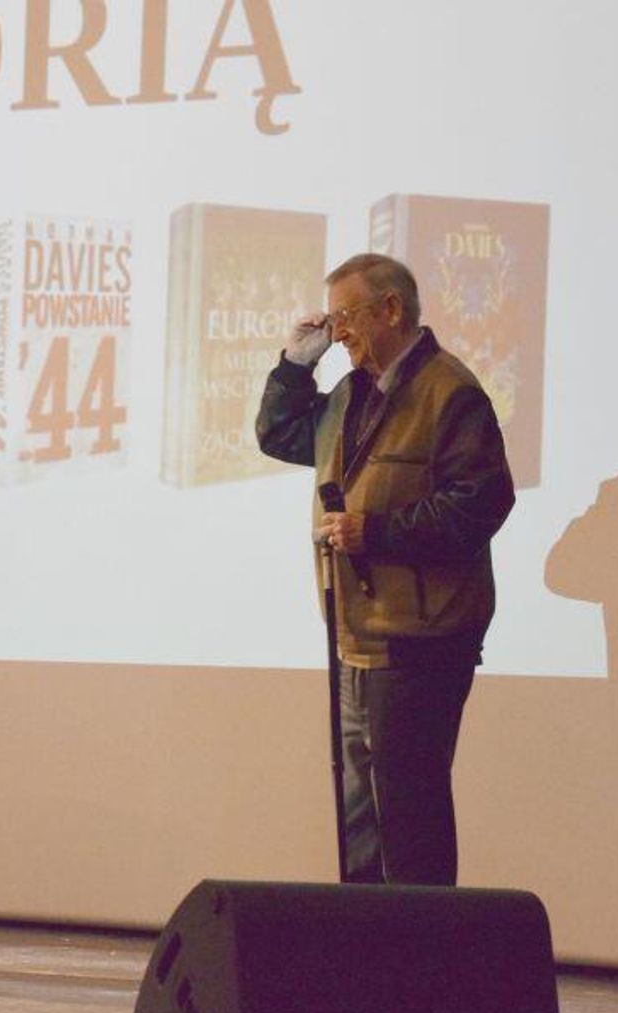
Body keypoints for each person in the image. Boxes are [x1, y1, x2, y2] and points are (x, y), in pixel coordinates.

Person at [255, 253, 514, 885]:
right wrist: (296, 366)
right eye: (332, 319)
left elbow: (481, 503)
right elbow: (280, 435)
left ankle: (421, 942)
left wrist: (375, 532)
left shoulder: (450, 392)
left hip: (421, 637)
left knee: (409, 806)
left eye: (345, 316)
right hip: (356, 632)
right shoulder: (352, 393)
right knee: (359, 806)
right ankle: (366, 933)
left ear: (391, 309)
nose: (337, 331)